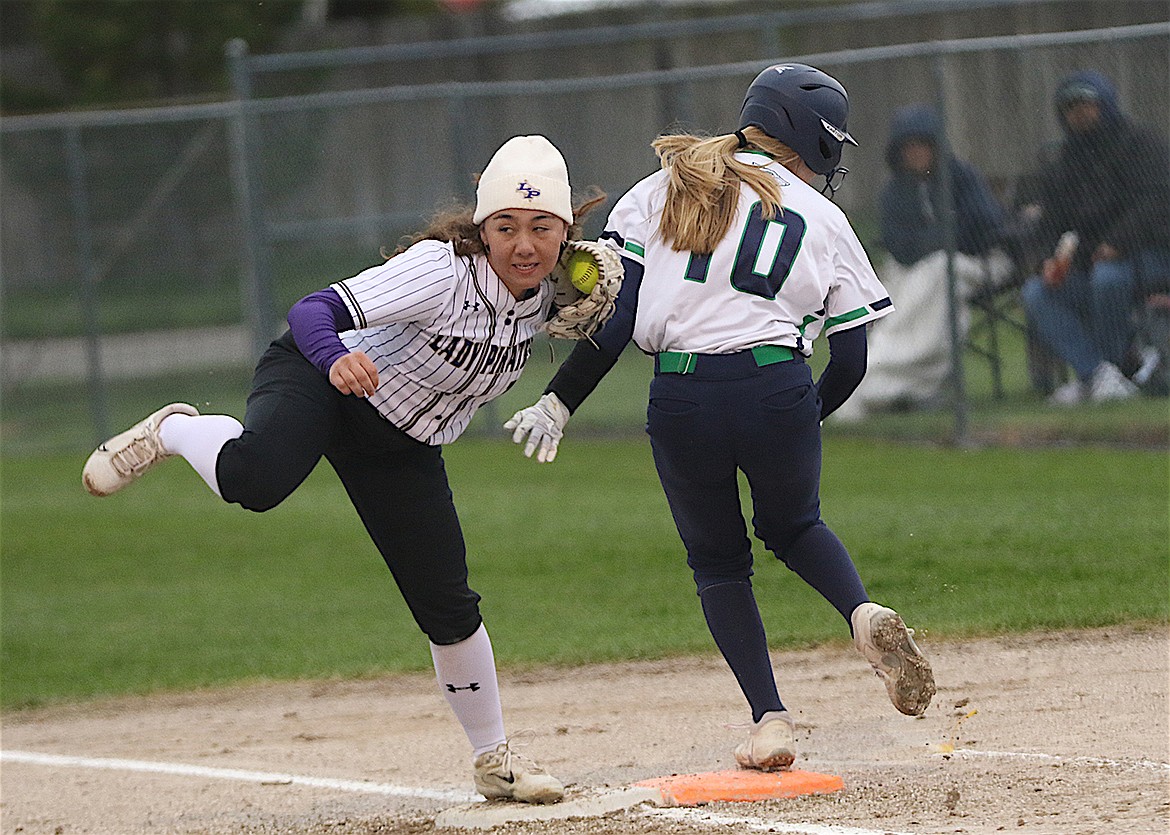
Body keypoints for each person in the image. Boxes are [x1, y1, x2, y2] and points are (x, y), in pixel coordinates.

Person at [81, 135, 607, 804]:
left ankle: (492, 759)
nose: (523, 244)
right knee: (254, 480)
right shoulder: (440, 270)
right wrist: (332, 358)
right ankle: (174, 428)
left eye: (541, 227)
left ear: (565, 231)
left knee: (448, 604)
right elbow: (312, 311)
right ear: (482, 227)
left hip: (404, 441)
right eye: (505, 226)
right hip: (324, 376)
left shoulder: (557, 290)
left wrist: (605, 300)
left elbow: (623, 309)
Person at [503, 64, 936, 772]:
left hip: (684, 395)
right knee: (795, 526)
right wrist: (803, 417)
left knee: (718, 563)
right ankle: (862, 615)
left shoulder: (659, 189)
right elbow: (852, 359)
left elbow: (613, 324)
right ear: (810, 140)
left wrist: (560, 400)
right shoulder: (824, 217)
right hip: (778, 383)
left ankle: (771, 719)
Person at [832, 104, 1012, 421]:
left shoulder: (961, 177)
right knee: (896, 288)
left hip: (978, 265)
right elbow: (901, 247)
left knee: (938, 270)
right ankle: (883, 377)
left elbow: (985, 230)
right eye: (908, 148)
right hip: (917, 269)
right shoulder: (894, 192)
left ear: (936, 147)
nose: (916, 154)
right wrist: (941, 235)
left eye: (922, 146)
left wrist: (934, 239)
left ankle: (885, 374)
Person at [1017, 70, 1170, 405]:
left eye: (1087, 104)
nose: (1080, 113)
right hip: (1087, 261)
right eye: (1071, 107)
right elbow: (1050, 224)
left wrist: (1117, 242)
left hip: (1147, 253)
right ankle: (1097, 374)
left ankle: (1121, 369)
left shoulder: (1139, 142)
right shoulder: (1064, 162)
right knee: (1036, 294)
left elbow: (1158, 200)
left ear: (1105, 104)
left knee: (1107, 279)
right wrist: (1047, 259)